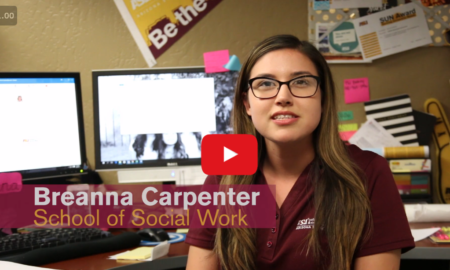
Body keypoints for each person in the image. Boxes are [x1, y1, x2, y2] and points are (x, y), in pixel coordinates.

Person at [185, 35, 414, 270]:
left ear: (323, 99)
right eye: (265, 84)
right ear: (247, 105)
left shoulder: (369, 173)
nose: (283, 97)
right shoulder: (223, 177)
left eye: (301, 82)